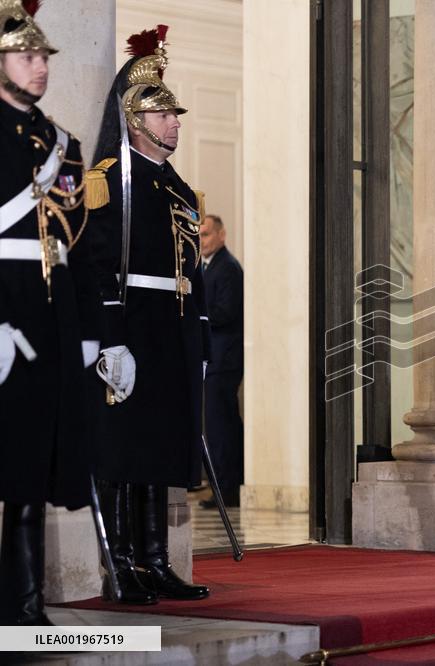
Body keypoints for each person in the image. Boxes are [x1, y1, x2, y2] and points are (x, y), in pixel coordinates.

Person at [87, 25, 210, 604]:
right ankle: (122, 564)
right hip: (134, 325)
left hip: (173, 329)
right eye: (165, 116)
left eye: (176, 115)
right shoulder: (111, 179)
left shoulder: (179, 189)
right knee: (126, 447)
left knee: (161, 446)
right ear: (137, 120)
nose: (175, 123)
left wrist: (201, 341)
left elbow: (195, 270)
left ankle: (156, 560)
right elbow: (98, 261)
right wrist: (110, 338)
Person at [0, 0, 100, 625]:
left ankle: (24, 611)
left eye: (43, 58)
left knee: (31, 466)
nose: (40, 68)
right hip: (4, 309)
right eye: (27, 56)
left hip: (50, 317)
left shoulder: (60, 142)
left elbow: (79, 246)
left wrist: (90, 333)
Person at [198, 214, 243, 509]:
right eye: (199, 235)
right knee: (215, 426)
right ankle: (221, 487)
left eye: (206, 234)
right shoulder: (205, 267)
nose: (202, 240)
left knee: (221, 427)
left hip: (223, 359)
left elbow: (226, 312)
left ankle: (227, 490)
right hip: (212, 359)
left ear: (222, 235)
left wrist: (196, 316)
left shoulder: (227, 267)